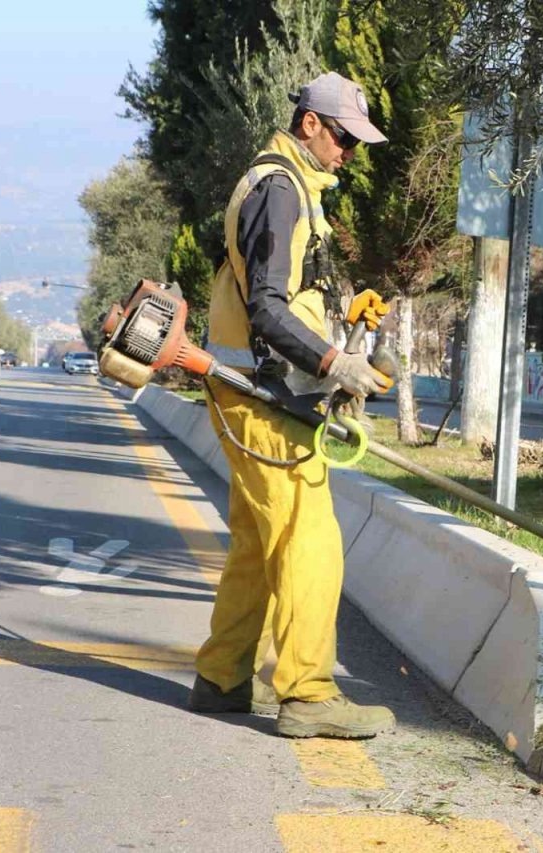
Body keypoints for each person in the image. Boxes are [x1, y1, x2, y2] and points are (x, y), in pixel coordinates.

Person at [188, 71, 397, 739]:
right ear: (310, 124)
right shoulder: (280, 188)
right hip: (259, 396)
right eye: (344, 139)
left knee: (257, 542)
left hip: (252, 389)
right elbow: (269, 311)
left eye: (357, 144)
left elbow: (276, 294)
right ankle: (307, 691)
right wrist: (337, 362)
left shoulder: (282, 185)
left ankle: (222, 677)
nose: (349, 153)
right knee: (310, 538)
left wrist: (342, 320)